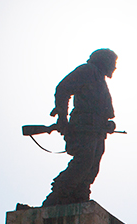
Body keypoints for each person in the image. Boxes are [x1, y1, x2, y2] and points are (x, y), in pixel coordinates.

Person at [42, 49, 118, 207]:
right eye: (113, 63)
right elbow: (63, 88)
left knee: (92, 167)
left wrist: (108, 124)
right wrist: (62, 116)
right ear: (103, 61)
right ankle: (57, 197)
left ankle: (79, 197)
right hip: (84, 128)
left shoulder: (100, 80)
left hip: (97, 131)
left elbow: (104, 112)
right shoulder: (88, 70)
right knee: (83, 162)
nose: (114, 67)